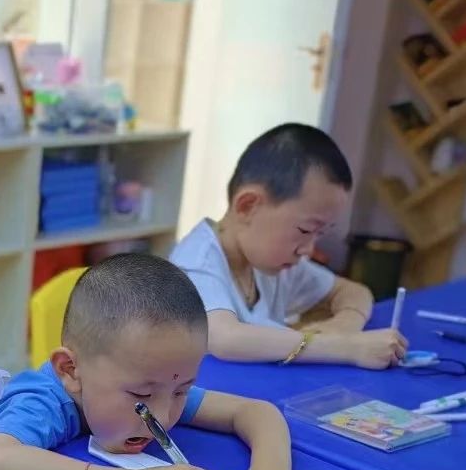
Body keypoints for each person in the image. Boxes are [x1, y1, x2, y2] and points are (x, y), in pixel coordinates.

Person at [0, 253, 315, 470]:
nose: (162, 417)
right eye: (141, 397)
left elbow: (256, 411)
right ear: (71, 370)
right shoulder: (41, 401)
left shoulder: (156, 385)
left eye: (182, 391)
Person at [170, 123, 406, 368]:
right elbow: (226, 338)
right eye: (305, 230)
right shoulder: (195, 263)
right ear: (248, 206)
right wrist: (346, 347)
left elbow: (355, 292)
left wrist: (344, 326)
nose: (308, 249)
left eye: (319, 234)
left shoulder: (270, 260)